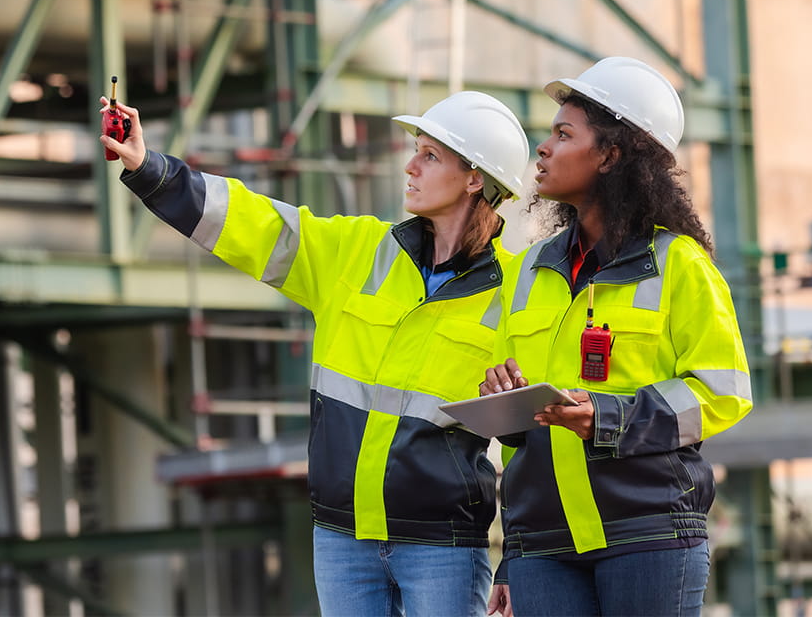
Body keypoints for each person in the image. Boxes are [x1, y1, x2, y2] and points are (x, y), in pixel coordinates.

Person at [101, 90, 532, 616]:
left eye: (430, 155)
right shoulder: (355, 251)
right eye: (416, 150)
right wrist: (153, 171)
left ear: (474, 179)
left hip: (442, 544)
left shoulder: (517, 294)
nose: (410, 165)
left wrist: (517, 554)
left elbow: (526, 442)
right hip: (340, 538)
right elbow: (253, 225)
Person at [479, 57, 752, 617]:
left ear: (610, 154)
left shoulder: (679, 266)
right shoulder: (528, 271)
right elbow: (519, 427)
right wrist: (501, 398)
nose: (544, 148)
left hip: (647, 535)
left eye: (563, 133)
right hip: (543, 545)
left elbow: (722, 392)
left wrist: (606, 417)